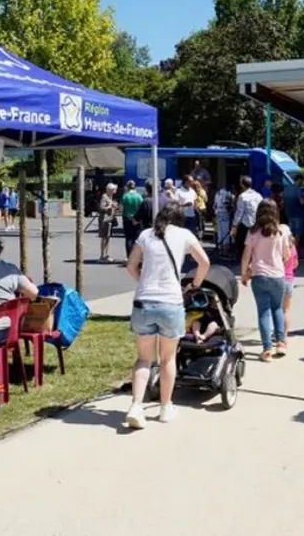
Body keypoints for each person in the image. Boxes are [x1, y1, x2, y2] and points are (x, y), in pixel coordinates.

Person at [124, 202, 210, 429]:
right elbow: (204, 261)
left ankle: (136, 406)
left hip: (144, 302)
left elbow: (131, 265)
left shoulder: (145, 235)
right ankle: (165, 407)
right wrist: (195, 284)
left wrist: (143, 281)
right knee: (167, 358)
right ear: (179, 218)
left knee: (144, 358)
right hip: (171, 302)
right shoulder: (184, 234)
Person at [241, 199, 292, 362]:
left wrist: (244, 274)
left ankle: (267, 349)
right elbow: (287, 255)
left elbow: (246, 256)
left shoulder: (253, 232)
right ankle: (281, 343)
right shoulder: (280, 232)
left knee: (263, 312)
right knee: (277, 308)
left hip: (259, 276)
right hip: (278, 276)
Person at [231, 176, 262, 258]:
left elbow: (239, 212)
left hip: (245, 224)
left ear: (242, 185)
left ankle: (244, 260)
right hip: (256, 223)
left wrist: (234, 224)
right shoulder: (258, 195)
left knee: (242, 243)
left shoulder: (242, 196)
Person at [280, 224, 299, 342]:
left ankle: (277, 333)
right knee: (286, 310)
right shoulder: (292, 247)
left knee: (276, 309)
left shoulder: (278, 246)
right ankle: (284, 336)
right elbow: (296, 263)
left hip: (277, 279)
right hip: (289, 279)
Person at [120, 180, 144, 258]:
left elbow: (121, 209)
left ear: (127, 187)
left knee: (128, 238)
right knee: (136, 238)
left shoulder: (125, 196)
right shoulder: (139, 196)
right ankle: (136, 256)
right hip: (137, 219)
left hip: (127, 219)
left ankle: (128, 256)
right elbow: (142, 207)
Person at [98, 183, 119, 263]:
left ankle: (106, 255)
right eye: (114, 190)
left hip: (109, 220)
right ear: (110, 190)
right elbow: (101, 208)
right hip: (104, 220)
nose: (115, 191)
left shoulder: (110, 197)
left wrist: (115, 207)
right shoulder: (104, 197)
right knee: (104, 238)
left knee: (107, 238)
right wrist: (110, 206)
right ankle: (102, 256)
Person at [214, 184, 233, 252]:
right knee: (225, 232)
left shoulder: (217, 194)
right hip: (224, 213)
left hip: (218, 213)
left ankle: (220, 249)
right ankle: (225, 250)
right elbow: (226, 204)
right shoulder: (227, 193)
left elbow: (214, 206)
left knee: (220, 232)